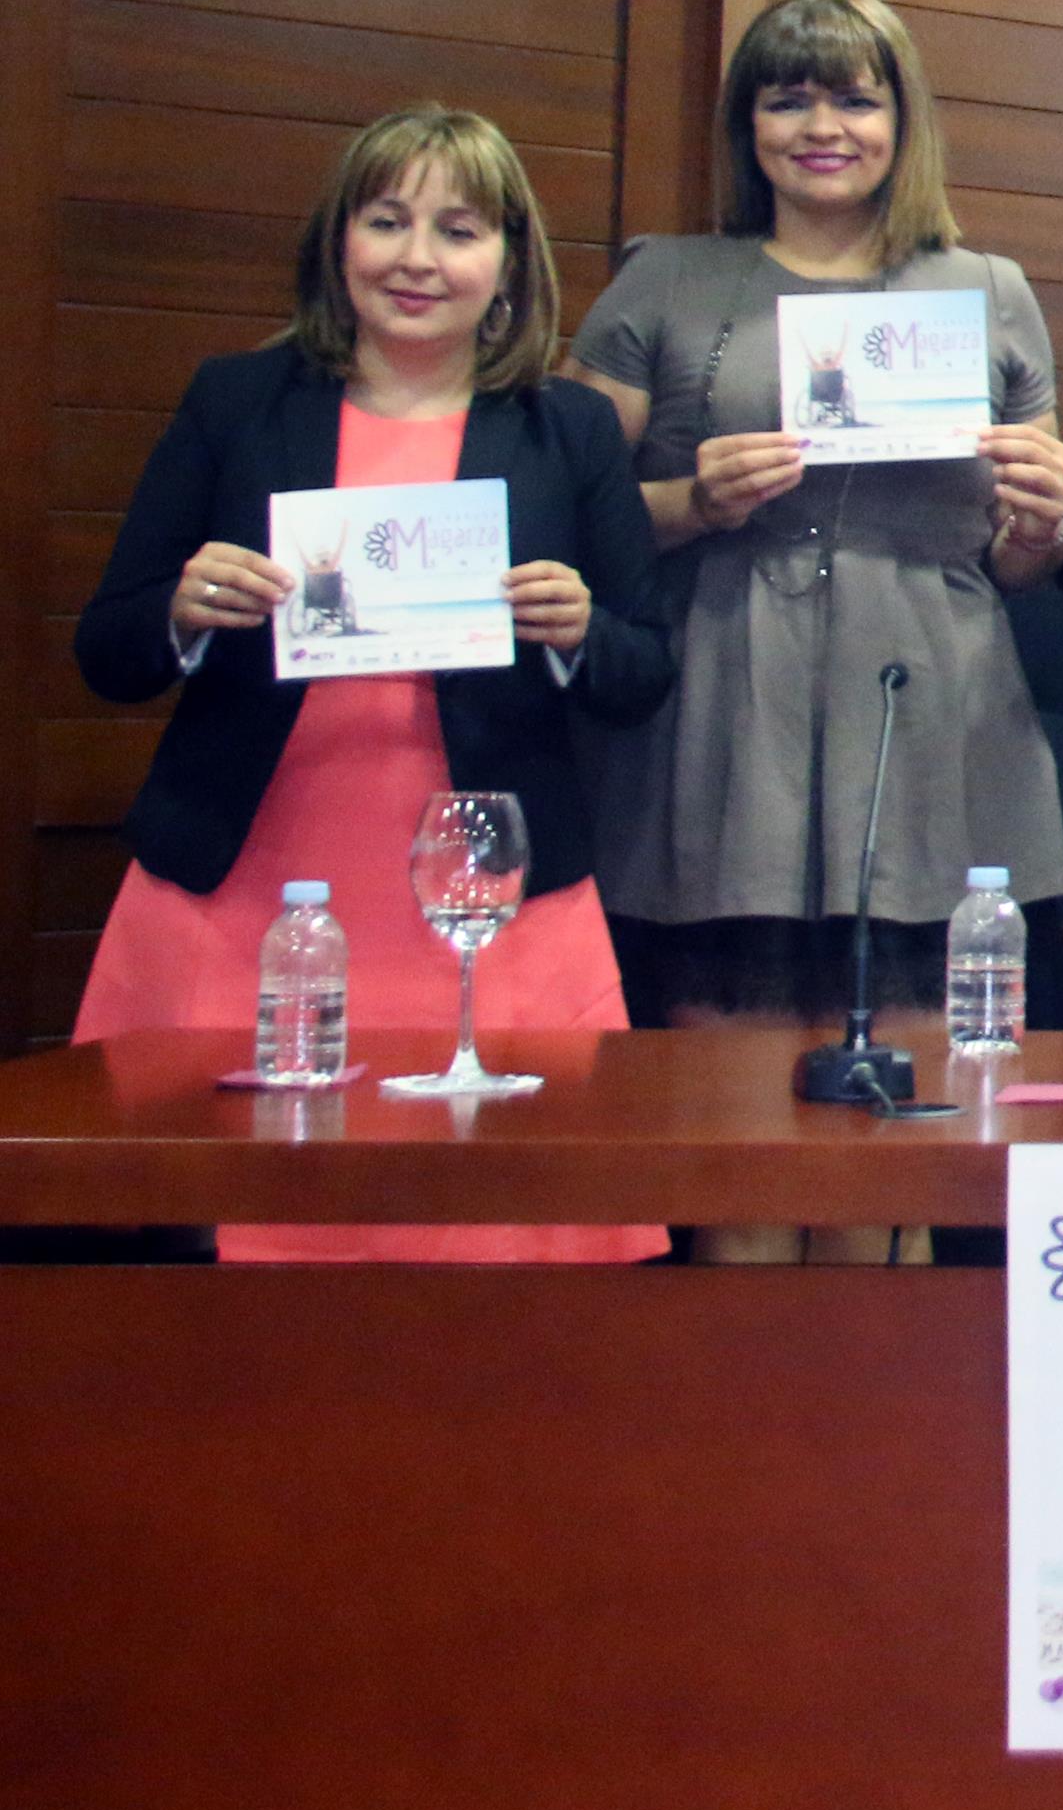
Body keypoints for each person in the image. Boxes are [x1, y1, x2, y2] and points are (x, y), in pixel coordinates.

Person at [73, 105, 673, 1264]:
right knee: (223, 1241)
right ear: (337, 241)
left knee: (486, 1240)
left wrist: (577, 631)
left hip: (484, 899)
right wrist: (182, 611)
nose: (417, 258)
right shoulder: (237, 401)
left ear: (509, 264)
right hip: (247, 878)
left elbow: (643, 669)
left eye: (458, 230)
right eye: (387, 220)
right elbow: (108, 646)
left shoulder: (568, 428)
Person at [563, 0, 1063, 1027]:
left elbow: (1021, 560)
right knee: (727, 1075)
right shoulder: (666, 280)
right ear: (747, 126)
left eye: (856, 100)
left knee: (940, 1072)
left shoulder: (991, 289)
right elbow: (568, 513)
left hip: (938, 705)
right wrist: (693, 501)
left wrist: (1041, 525)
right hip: (723, 699)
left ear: (903, 121)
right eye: (788, 101)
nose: (823, 128)